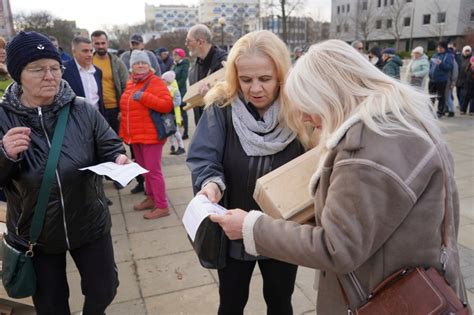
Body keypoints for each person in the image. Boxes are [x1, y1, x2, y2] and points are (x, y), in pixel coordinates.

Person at [208, 39, 469, 314]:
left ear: (331, 95)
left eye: (308, 106)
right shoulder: (398, 124)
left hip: (382, 296)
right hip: (412, 286)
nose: (308, 118)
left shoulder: (366, 154)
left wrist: (251, 227)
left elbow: (336, 248)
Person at [0, 31, 129, 314]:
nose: (50, 76)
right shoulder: (3, 118)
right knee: (50, 305)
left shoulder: (82, 109)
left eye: (55, 68)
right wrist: (5, 154)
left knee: (104, 289)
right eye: (38, 69)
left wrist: (119, 158)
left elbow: (110, 145)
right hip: (37, 233)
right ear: (18, 74)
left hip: (89, 222)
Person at [187, 30, 304, 315]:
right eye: (245, 79)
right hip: (232, 230)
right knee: (231, 302)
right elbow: (204, 156)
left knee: (280, 301)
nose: (255, 89)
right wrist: (210, 183)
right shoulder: (221, 108)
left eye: (265, 79)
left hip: (281, 230)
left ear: (281, 75)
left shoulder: (301, 109)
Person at [119, 51, 173, 219]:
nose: (140, 65)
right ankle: (151, 199)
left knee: (153, 171)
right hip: (136, 136)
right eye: (137, 63)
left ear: (149, 65)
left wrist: (145, 97)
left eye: (143, 62)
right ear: (131, 67)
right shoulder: (130, 83)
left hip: (151, 136)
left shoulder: (155, 82)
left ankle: (162, 206)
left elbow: (166, 105)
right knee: (143, 171)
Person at [186, 24, 227, 125]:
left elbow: (234, 97)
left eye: (188, 41)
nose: (186, 44)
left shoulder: (225, 63)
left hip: (222, 128)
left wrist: (212, 95)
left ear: (200, 42)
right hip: (202, 128)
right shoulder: (194, 69)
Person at [91, 30, 129, 134]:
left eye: (103, 43)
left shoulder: (117, 62)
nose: (100, 46)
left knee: (117, 142)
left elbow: (126, 87)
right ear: (92, 44)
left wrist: (123, 110)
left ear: (107, 43)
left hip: (115, 109)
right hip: (96, 109)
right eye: (97, 43)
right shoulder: (88, 62)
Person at [62, 37, 105, 114]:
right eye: (85, 51)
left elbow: (99, 100)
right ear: (74, 52)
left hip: (96, 119)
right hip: (74, 120)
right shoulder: (64, 70)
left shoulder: (97, 72)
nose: (90, 54)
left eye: (91, 51)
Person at [162, 71, 185, 155]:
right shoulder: (164, 89)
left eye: (163, 80)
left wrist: (168, 104)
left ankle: (181, 146)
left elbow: (178, 102)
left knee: (175, 131)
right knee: (169, 131)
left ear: (168, 81)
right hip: (166, 114)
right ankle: (173, 146)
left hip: (173, 114)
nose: (162, 81)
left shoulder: (174, 90)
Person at [429, 40, 454, 118]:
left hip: (441, 79)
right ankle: (429, 110)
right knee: (431, 96)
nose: (439, 49)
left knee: (440, 96)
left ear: (444, 48)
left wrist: (441, 63)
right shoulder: (435, 55)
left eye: (441, 47)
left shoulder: (448, 55)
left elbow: (449, 67)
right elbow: (431, 65)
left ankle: (440, 111)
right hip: (432, 79)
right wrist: (429, 73)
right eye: (438, 47)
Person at [172, 48, 190, 139]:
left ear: (181, 56)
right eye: (174, 55)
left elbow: (183, 79)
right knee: (175, 113)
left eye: (176, 55)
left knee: (183, 112)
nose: (174, 57)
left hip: (181, 92)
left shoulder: (184, 65)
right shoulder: (174, 65)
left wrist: (174, 87)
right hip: (173, 92)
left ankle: (185, 132)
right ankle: (177, 132)